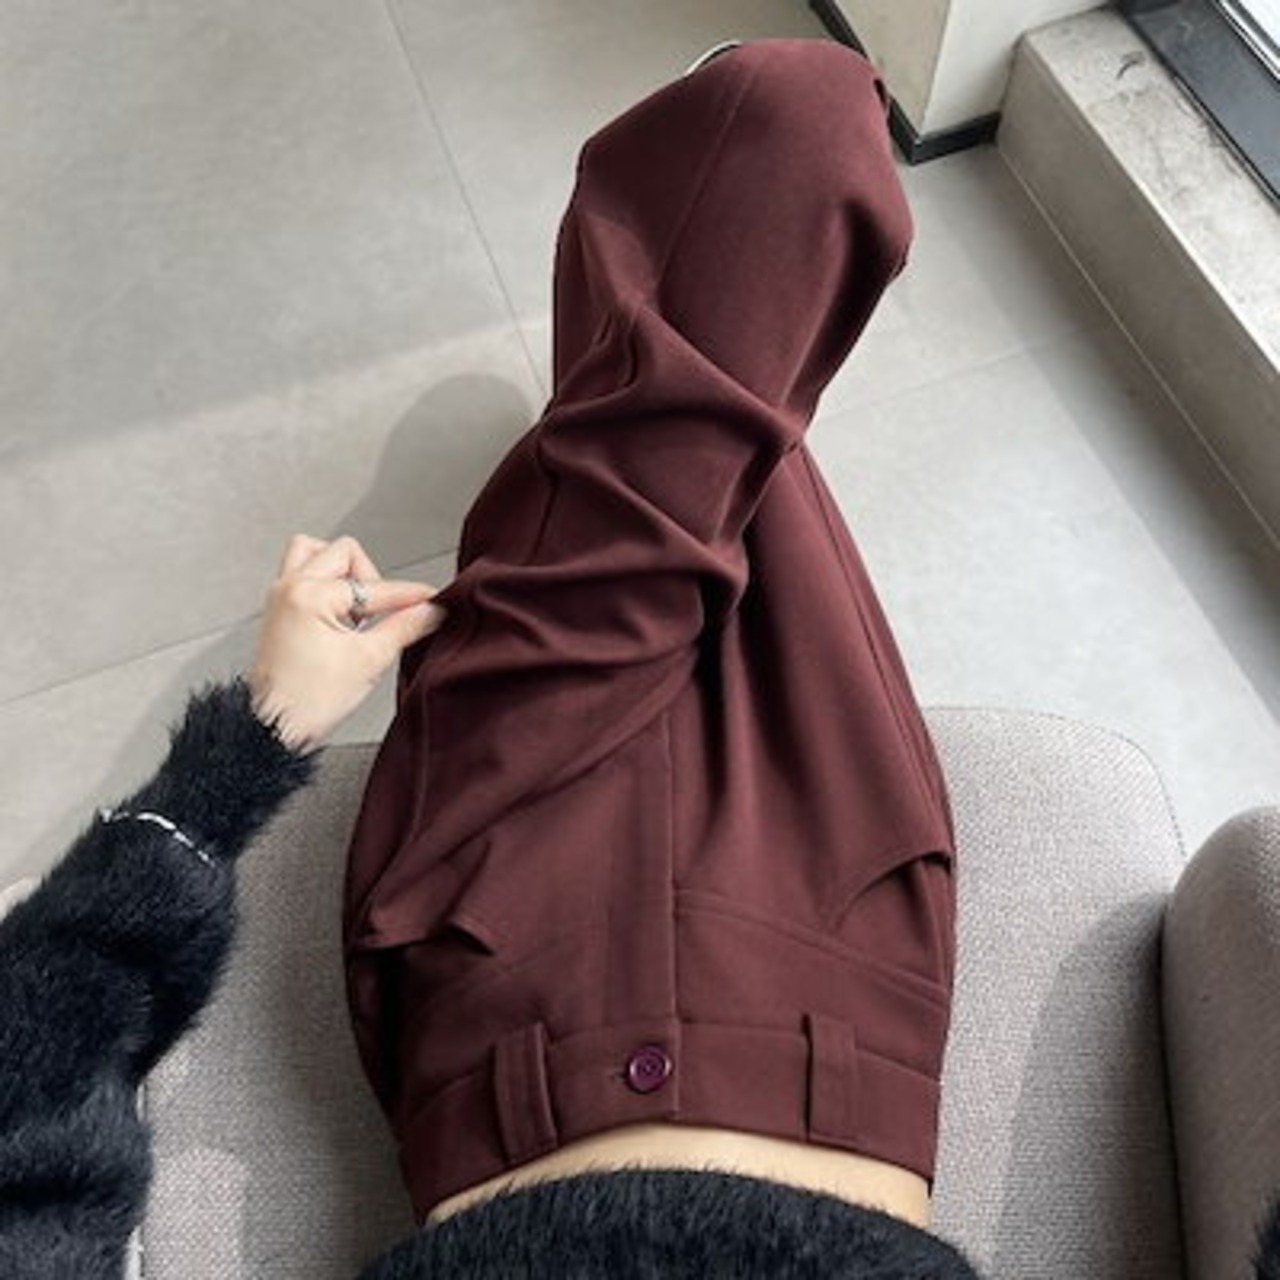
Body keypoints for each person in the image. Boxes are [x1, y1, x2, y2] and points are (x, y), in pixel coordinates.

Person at [0, 36, 1007, 1279]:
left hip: (513, 992)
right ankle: (619, 342)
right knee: (770, 201)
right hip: (818, 986)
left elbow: (24, 1104)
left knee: (754, 213)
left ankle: (619, 346)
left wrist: (236, 760)